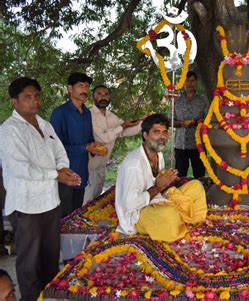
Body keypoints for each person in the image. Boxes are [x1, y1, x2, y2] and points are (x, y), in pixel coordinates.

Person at [0, 77, 81, 300]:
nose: (34, 100)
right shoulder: (9, 130)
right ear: (15, 102)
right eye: (28, 97)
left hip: (50, 203)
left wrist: (64, 169)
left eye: (37, 95)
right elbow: (20, 168)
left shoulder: (45, 124)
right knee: (29, 264)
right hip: (26, 207)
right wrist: (56, 174)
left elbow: (59, 153)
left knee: (49, 258)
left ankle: (48, 296)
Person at [115, 113, 207, 242]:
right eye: (157, 132)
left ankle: (184, 220)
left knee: (196, 186)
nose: (162, 136)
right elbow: (129, 205)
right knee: (168, 214)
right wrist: (158, 187)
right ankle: (177, 220)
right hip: (137, 215)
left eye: (165, 132)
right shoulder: (134, 164)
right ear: (145, 135)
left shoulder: (159, 155)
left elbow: (157, 183)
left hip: (156, 200)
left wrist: (168, 179)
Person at [50, 72, 107, 217]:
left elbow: (88, 139)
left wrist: (95, 147)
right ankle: (59, 240)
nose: (85, 90)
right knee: (64, 215)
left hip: (82, 170)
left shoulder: (87, 113)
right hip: (66, 172)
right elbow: (55, 147)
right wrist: (85, 147)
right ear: (70, 89)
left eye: (87, 86)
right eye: (80, 86)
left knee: (76, 214)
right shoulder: (59, 113)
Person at [83, 85, 142, 204]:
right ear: (93, 97)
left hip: (102, 167)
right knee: (86, 201)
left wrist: (143, 123)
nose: (103, 97)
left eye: (105, 94)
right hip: (88, 167)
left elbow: (125, 131)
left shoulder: (111, 116)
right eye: (99, 94)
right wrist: (122, 126)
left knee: (96, 200)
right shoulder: (88, 115)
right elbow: (103, 137)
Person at [174, 71, 209, 178]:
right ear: (183, 82)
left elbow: (208, 120)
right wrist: (179, 123)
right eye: (187, 80)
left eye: (192, 80)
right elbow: (170, 121)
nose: (190, 83)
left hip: (198, 144)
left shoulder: (203, 100)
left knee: (199, 176)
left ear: (196, 82)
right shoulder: (176, 99)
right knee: (179, 177)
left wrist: (197, 122)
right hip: (180, 144)